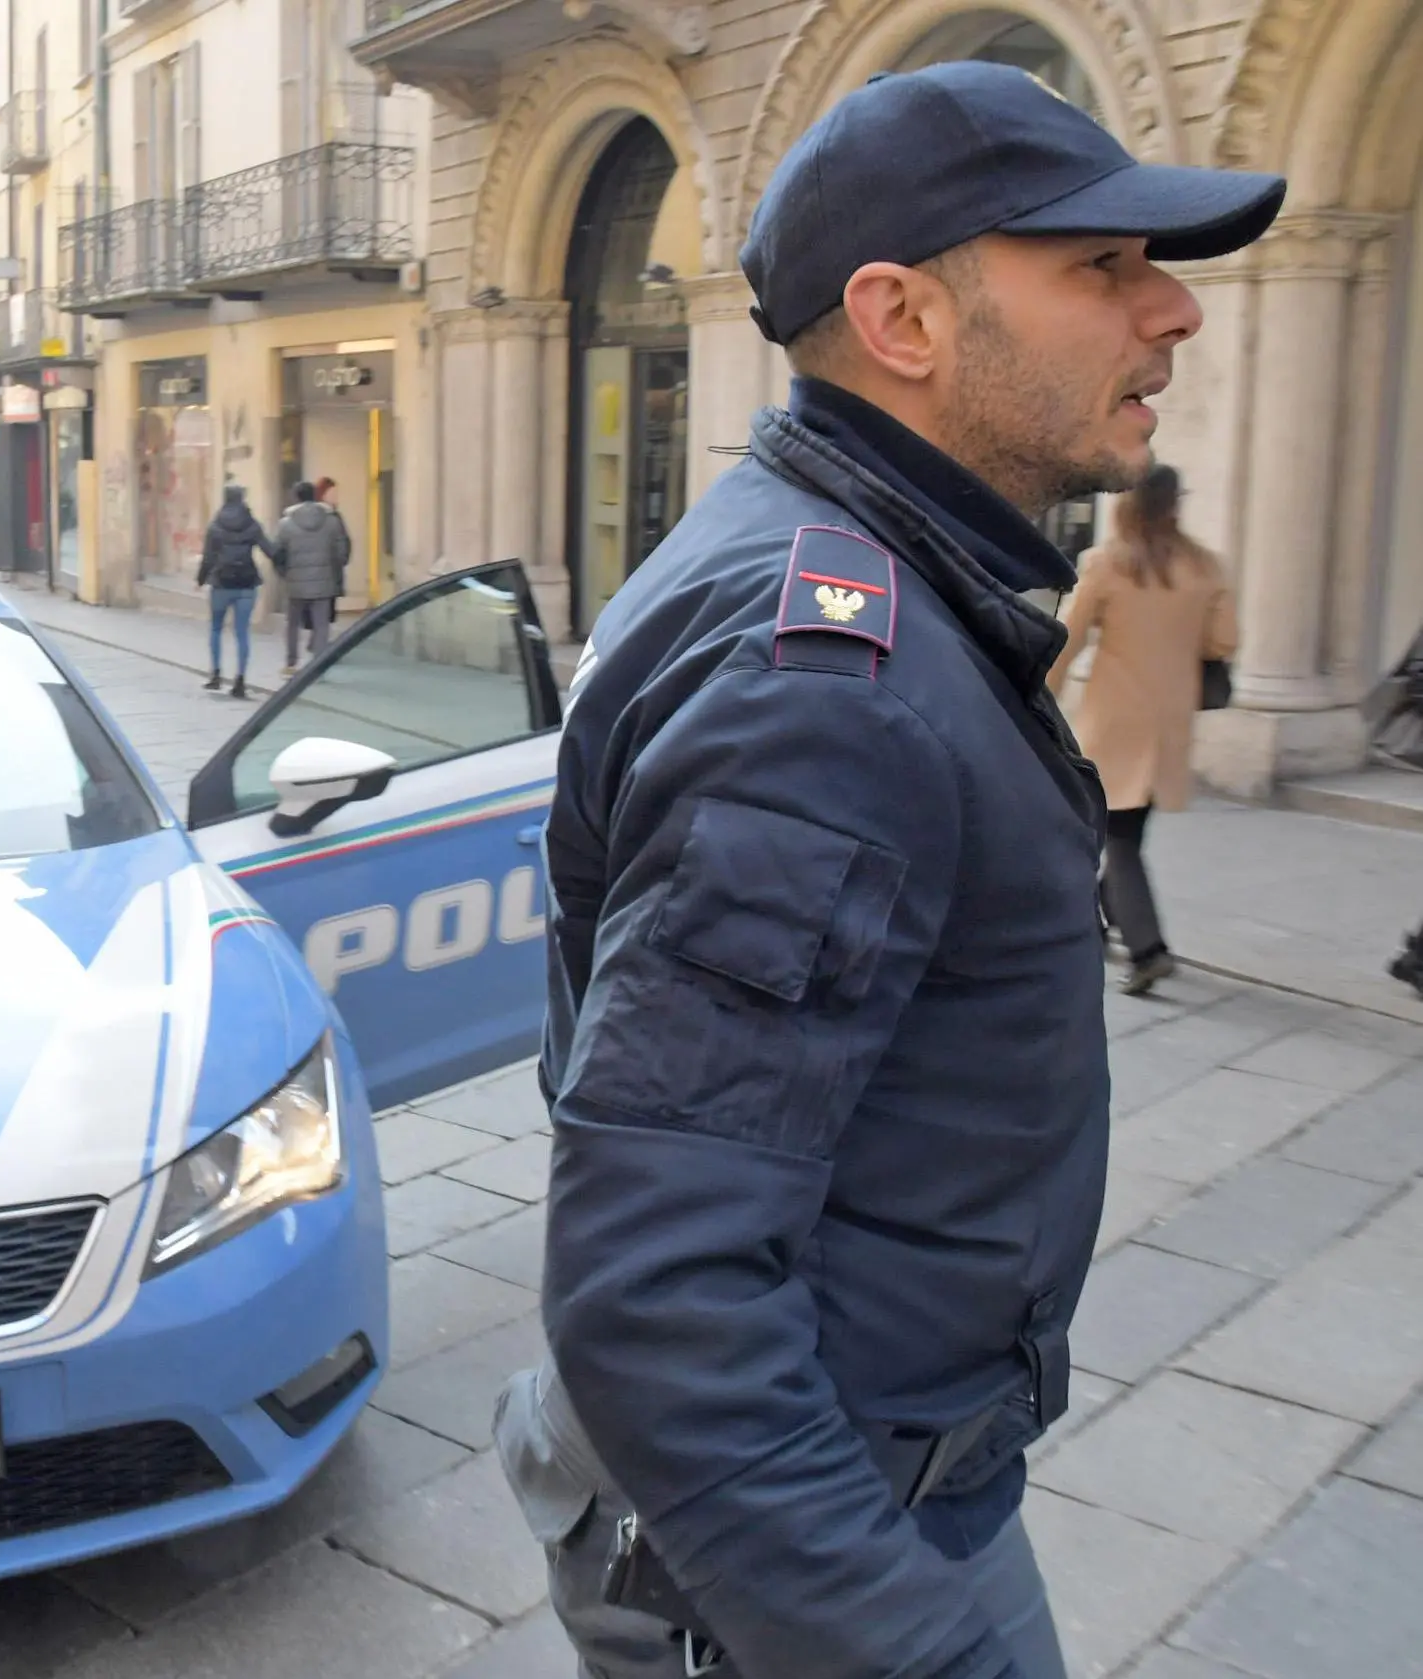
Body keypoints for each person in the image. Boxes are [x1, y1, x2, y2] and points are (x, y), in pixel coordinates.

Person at [495, 61, 1284, 1679]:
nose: (1171, 313)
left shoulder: (843, 566)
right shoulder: (824, 687)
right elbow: (659, 1293)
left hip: (861, 1488)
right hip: (801, 1548)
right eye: (1098, 266)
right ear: (900, 320)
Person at [1047, 464, 1238, 995]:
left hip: (1115, 721)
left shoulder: (1108, 564)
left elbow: (1070, 639)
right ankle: (1104, 922)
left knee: (1120, 839)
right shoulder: (1206, 568)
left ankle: (1148, 948)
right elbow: (1224, 642)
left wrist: (1038, 700)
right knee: (1129, 830)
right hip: (1169, 723)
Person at [197, 484, 272, 699]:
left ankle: (216, 675)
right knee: (242, 632)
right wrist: (285, 562)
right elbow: (269, 549)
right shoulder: (252, 525)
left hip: (221, 583)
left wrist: (201, 579)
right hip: (247, 584)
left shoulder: (215, 525)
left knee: (216, 629)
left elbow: (208, 557)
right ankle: (240, 680)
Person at [270, 478, 348, 674]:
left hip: (295, 583)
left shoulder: (285, 524)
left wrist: (285, 573)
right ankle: (319, 664)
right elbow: (342, 550)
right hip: (324, 581)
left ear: (296, 497)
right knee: (321, 624)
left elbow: (277, 553)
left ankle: (291, 662)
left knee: (293, 624)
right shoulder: (332, 521)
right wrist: (335, 569)